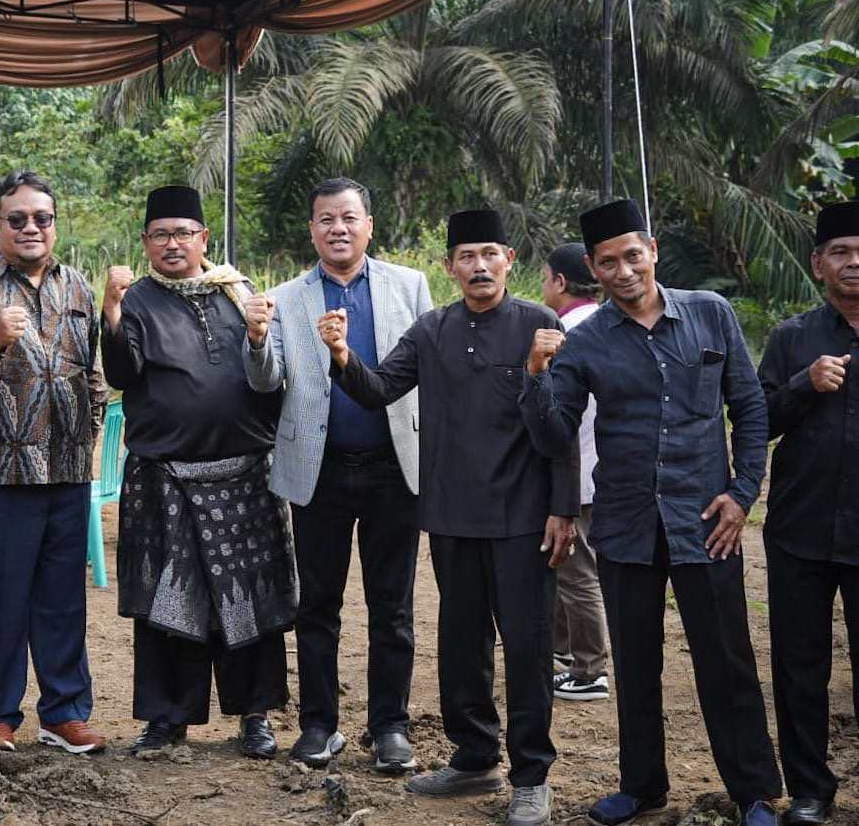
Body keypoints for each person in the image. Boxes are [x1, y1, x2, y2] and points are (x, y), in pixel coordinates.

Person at [520, 199, 781, 826]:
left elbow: (749, 409)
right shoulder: (584, 341)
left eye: (632, 256)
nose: (623, 271)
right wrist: (533, 374)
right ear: (593, 267)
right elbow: (553, 436)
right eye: (607, 262)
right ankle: (642, 786)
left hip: (706, 524)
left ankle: (753, 793)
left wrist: (743, 493)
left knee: (726, 660)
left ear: (653, 251)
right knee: (636, 665)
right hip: (624, 525)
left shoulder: (711, 315)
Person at [320, 208, 577, 826]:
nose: (479, 266)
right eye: (466, 256)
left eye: (490, 253)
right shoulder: (432, 330)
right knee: (461, 644)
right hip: (451, 514)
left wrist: (563, 508)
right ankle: (473, 756)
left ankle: (532, 774)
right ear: (449, 268)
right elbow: (381, 389)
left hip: (523, 518)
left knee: (528, 645)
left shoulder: (540, 325)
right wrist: (340, 354)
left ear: (509, 260)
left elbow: (562, 430)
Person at [243, 177, 430, 773]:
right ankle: (319, 724)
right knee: (318, 604)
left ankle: (389, 727)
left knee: (392, 606)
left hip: (392, 468)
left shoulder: (408, 286)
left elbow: (431, 372)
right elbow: (266, 382)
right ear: (313, 230)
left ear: (369, 224)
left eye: (349, 217)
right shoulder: (285, 297)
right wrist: (254, 339)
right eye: (326, 219)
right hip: (316, 471)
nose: (338, 229)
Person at [101, 186, 295, 758]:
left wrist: (260, 333)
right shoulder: (136, 302)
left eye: (183, 232)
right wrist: (111, 314)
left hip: (244, 475)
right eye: (159, 235)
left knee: (250, 599)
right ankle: (167, 718)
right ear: (145, 243)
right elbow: (122, 372)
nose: (172, 244)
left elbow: (271, 377)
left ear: (203, 239)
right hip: (165, 475)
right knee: (168, 602)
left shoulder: (240, 293)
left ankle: (254, 715)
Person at [0, 170, 107, 757]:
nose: (30, 228)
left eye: (42, 218)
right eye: (18, 219)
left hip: (65, 471)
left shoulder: (78, 287)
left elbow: (93, 375)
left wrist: (90, 439)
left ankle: (64, 713)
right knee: (0, 602)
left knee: (64, 601)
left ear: (54, 224)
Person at [758, 199, 859, 826]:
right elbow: (756, 423)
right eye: (841, 252)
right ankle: (810, 791)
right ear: (818, 262)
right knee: (800, 666)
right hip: (801, 531)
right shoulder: (793, 338)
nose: (854, 263)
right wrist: (802, 384)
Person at [539, 243, 610, 701]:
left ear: (560, 283)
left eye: (545, 277)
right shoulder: (606, 324)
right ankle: (565, 653)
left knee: (576, 571)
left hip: (577, 471)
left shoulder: (563, 332)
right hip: (600, 467)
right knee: (569, 565)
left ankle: (590, 670)